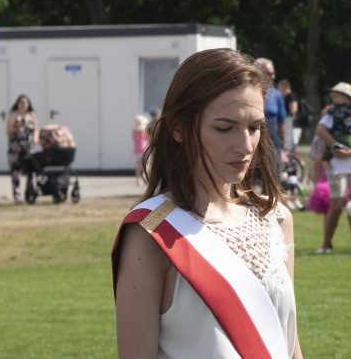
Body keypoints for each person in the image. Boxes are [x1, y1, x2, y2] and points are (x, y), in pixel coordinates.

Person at [113, 48, 302, 359]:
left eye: (254, 127)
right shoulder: (151, 233)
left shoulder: (277, 218)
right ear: (177, 128)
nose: (245, 146)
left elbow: (288, 343)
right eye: (224, 128)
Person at [314, 82, 351, 254]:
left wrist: (350, 152)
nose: (333, 100)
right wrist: (336, 145)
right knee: (336, 205)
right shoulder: (330, 115)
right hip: (336, 168)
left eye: (336, 96)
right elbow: (320, 131)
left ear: (347, 98)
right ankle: (325, 245)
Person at [256, 58, 286, 178]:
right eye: (270, 74)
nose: (273, 77)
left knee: (274, 174)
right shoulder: (248, 93)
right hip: (253, 143)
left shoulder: (276, 95)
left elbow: (282, 121)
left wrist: (281, 140)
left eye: (274, 73)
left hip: (272, 142)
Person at [5, 95, 37, 203]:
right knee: (15, 172)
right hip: (16, 148)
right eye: (21, 102)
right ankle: (17, 197)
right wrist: (17, 127)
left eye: (25, 102)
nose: (23, 104)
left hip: (28, 147)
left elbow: (36, 129)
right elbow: (8, 132)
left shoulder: (31, 115)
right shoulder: (13, 115)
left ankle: (30, 194)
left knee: (31, 171)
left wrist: (35, 140)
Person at [132, 109, 154, 186]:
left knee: (138, 166)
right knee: (147, 164)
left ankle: (138, 181)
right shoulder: (143, 133)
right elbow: (147, 139)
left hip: (136, 151)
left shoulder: (134, 133)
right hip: (143, 150)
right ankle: (144, 175)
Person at [277, 79, 302, 150]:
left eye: (279, 87)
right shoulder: (284, 97)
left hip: (293, 125)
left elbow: (294, 110)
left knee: (291, 147)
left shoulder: (291, 95)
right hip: (289, 124)